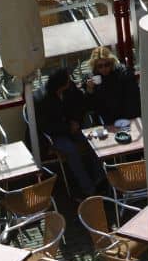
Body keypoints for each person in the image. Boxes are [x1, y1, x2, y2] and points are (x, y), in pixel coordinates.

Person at [35, 68, 100, 197]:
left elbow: (80, 104)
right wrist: (67, 127)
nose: (70, 82)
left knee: (94, 140)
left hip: (74, 126)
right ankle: (87, 187)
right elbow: (45, 126)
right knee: (71, 150)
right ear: (61, 85)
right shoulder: (42, 99)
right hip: (56, 134)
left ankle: (100, 177)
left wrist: (75, 121)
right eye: (67, 81)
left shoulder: (70, 90)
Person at [83, 47, 141, 124]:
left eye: (107, 65)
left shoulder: (121, 73)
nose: (104, 68)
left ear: (111, 63)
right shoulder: (91, 79)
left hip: (126, 116)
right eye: (100, 66)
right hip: (105, 119)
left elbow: (133, 97)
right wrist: (90, 90)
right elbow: (90, 107)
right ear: (95, 67)